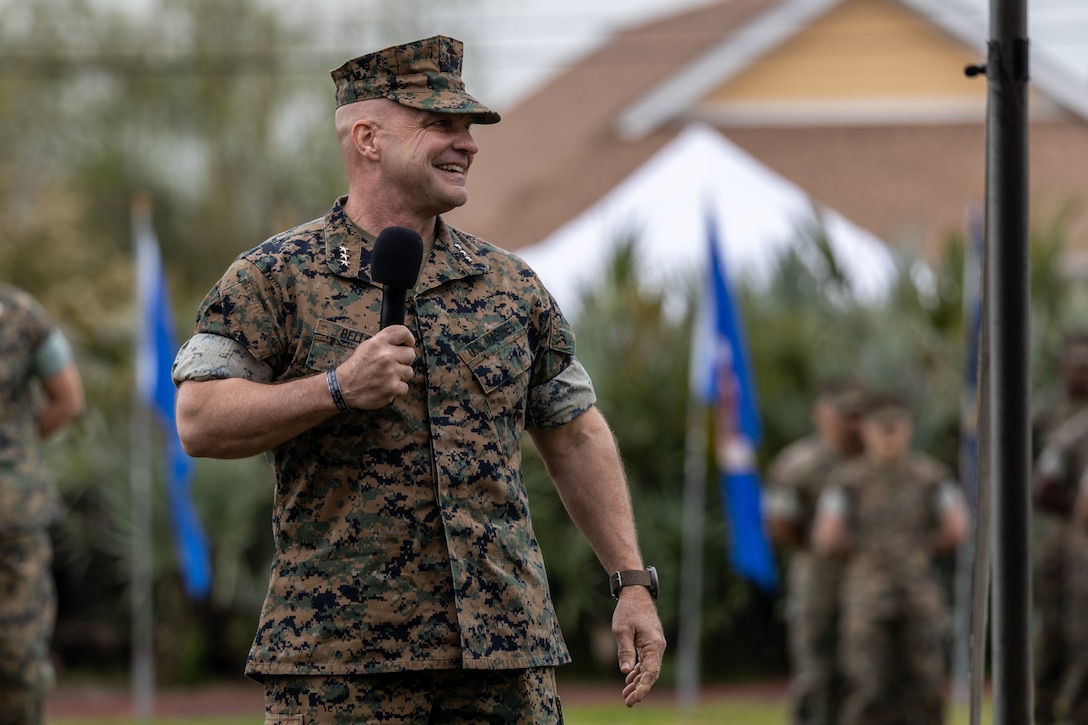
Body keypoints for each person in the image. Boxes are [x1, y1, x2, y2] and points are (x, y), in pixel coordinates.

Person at [172, 35, 665, 723]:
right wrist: (335, 388)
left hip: (503, 657)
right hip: (342, 664)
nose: (466, 143)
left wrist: (632, 581)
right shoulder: (275, 276)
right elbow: (198, 419)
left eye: (468, 127)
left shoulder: (509, 286)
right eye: (441, 124)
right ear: (368, 138)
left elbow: (575, 433)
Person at [812, 394, 968, 725]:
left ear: (908, 430)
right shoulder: (848, 479)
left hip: (919, 594)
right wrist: (867, 551)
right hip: (867, 597)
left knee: (925, 685)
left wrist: (920, 549)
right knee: (867, 685)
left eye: (895, 428)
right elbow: (826, 535)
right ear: (866, 431)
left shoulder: (931, 476)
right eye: (881, 429)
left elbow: (957, 527)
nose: (889, 435)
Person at [0, 282, 85, 725]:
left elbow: (68, 399)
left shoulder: (20, 315)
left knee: (18, 659)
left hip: (12, 524)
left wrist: (16, 457)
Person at [765, 380, 866, 725]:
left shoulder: (876, 460)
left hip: (870, 580)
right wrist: (815, 548)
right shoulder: (799, 464)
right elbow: (780, 523)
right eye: (843, 415)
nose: (851, 424)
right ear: (821, 415)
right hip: (818, 580)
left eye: (857, 415)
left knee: (869, 670)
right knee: (817, 670)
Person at [1032, 332, 1088, 725]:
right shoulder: (1045, 415)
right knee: (1054, 636)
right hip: (1055, 543)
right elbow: (1038, 486)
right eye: (1077, 366)